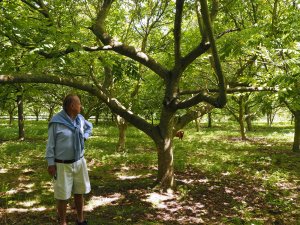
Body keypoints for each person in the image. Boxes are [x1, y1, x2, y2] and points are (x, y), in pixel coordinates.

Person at [46, 94, 93, 225]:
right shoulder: (56, 122)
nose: (81, 106)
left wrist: (85, 136)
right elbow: (50, 145)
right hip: (62, 165)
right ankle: (63, 222)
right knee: (62, 196)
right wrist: (51, 164)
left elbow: (90, 127)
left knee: (79, 192)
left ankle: (80, 219)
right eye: (79, 103)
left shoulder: (80, 119)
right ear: (72, 106)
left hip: (79, 161)